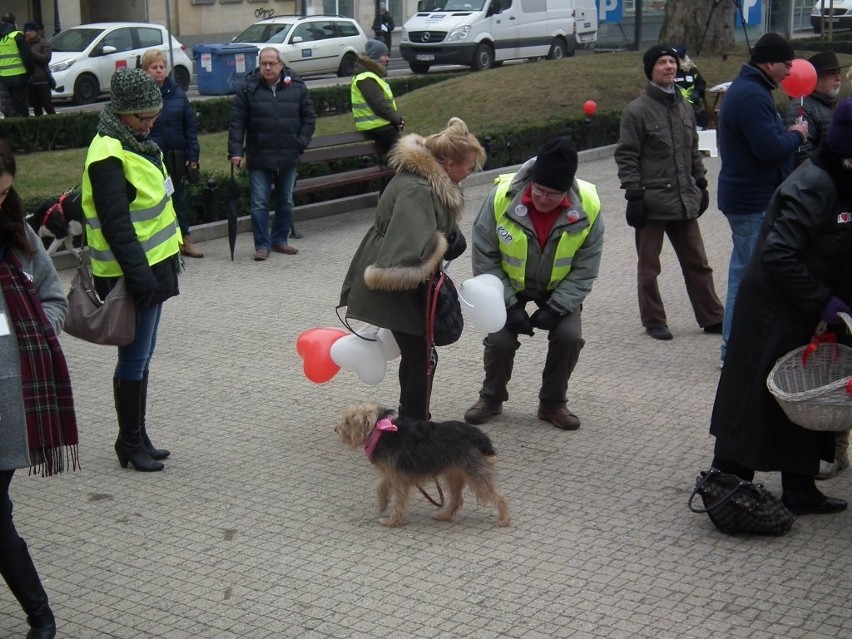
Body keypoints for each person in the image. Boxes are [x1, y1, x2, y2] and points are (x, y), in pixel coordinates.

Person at [708, 98, 852, 517]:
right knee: (756, 395)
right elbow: (778, 254)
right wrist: (824, 302)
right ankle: (728, 483)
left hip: (810, 306)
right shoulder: (812, 185)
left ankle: (800, 488)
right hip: (773, 306)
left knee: (805, 394)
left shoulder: (842, 181)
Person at [339, 117, 485, 421]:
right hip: (399, 283)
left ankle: (411, 418)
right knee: (421, 357)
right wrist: (447, 243)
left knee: (418, 354)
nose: (470, 173)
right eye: (468, 167)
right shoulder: (418, 188)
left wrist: (446, 238)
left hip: (398, 279)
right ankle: (414, 427)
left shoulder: (421, 179)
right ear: (447, 163)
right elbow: (409, 251)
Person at [463, 137, 603, 431]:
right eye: (538, 190)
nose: (542, 199)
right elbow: (484, 255)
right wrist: (510, 306)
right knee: (500, 339)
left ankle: (552, 403)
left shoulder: (589, 205)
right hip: (506, 286)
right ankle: (491, 399)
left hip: (558, 288)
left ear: (566, 191)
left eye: (552, 195)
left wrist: (556, 307)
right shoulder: (502, 196)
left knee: (569, 337)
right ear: (531, 181)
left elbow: (586, 268)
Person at [81, 68, 181, 472]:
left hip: (153, 267)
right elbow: (116, 225)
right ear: (123, 114)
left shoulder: (134, 142)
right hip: (132, 273)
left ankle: (138, 435)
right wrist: (139, 279)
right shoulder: (108, 154)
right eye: (143, 116)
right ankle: (129, 441)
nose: (151, 122)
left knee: (144, 356)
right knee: (134, 358)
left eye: (153, 114)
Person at [1, 139, 78, 639]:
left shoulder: (19, 235)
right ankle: (39, 614)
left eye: (3, 192)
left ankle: (40, 615)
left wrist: (37, 331)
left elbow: (54, 297)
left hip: (11, 394)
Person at [615, 44, 723, 341]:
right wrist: (634, 195)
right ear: (651, 69)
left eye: (672, 62)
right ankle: (654, 320)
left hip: (684, 198)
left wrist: (700, 183)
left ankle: (712, 316)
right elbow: (627, 156)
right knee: (650, 267)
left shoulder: (684, 106)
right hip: (651, 202)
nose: (669, 67)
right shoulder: (636, 111)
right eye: (662, 63)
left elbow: (692, 151)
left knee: (698, 263)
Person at [717, 32, 809, 366]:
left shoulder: (751, 91)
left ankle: (734, 349)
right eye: (787, 63)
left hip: (747, 199)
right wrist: (796, 135)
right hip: (752, 201)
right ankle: (735, 351)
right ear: (769, 63)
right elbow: (768, 148)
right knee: (751, 278)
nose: (790, 71)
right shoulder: (752, 96)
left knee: (743, 274)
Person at [229, 47, 316, 261]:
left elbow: (309, 119)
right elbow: (237, 122)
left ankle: (280, 240)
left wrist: (300, 143)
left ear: (281, 65)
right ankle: (262, 245)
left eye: (271, 63)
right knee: (259, 202)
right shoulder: (248, 89)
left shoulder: (297, 87)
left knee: (285, 200)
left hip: (288, 153)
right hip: (259, 154)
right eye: (263, 63)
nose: (267, 67)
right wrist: (236, 151)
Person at [142, 49, 203, 258]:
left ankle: (185, 240)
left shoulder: (177, 93)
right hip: (150, 158)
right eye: (154, 67)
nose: (159, 71)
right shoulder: (141, 95)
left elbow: (190, 127)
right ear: (145, 71)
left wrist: (193, 155)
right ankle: (160, 244)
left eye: (162, 67)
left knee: (178, 199)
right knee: (154, 202)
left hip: (176, 156)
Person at [783, 50, 844, 166]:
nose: (838, 78)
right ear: (814, 77)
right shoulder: (801, 107)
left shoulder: (837, 104)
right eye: (831, 73)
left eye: (839, 72)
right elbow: (801, 156)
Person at [351, 39, 404, 155]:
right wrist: (397, 119)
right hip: (379, 127)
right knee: (404, 156)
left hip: (381, 126)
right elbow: (379, 105)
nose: (387, 59)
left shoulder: (369, 75)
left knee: (400, 157)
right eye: (384, 55)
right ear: (374, 57)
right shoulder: (366, 77)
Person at [0, 13, 34, 118]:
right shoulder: (17, 35)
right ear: (14, 23)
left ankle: (11, 129)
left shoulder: (1, 38)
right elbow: (27, 56)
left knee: (8, 107)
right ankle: (22, 131)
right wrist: (30, 72)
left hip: (3, 78)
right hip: (19, 77)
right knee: (21, 107)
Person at [672, 43, 708, 129]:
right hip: (675, 106)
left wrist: (697, 91)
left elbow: (701, 82)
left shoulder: (691, 69)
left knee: (702, 117)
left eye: (676, 59)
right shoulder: (670, 70)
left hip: (693, 105)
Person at [23, 22, 54, 116]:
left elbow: (46, 58)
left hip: (42, 79)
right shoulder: (25, 44)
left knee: (47, 104)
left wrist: (32, 54)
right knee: (36, 106)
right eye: (26, 31)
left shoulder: (43, 43)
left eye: (30, 30)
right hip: (31, 80)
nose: (28, 33)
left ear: (36, 32)